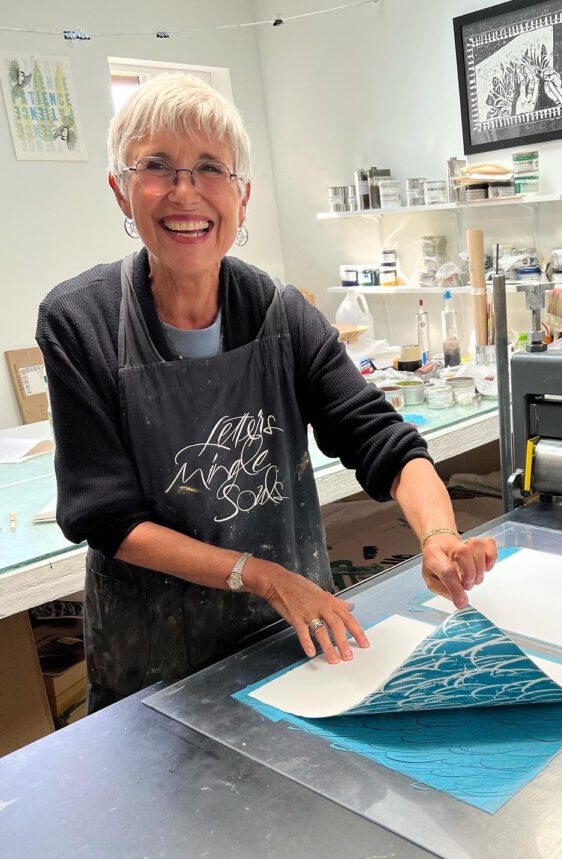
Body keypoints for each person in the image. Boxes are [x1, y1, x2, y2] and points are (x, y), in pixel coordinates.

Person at [37, 74, 497, 712]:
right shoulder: (79, 321)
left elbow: (382, 441)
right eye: (157, 166)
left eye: (209, 169)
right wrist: (261, 576)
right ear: (121, 190)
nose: (185, 192)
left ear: (243, 195)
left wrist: (438, 535)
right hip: (153, 670)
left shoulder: (282, 315)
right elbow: (107, 518)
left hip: (291, 646)